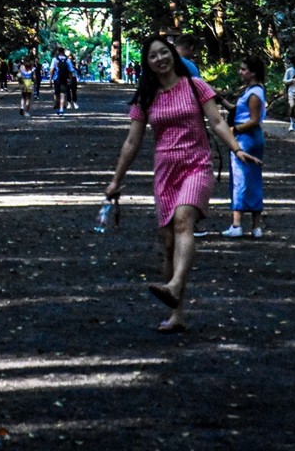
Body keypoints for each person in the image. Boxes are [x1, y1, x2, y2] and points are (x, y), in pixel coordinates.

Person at [104, 34, 259, 332]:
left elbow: (216, 123)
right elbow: (132, 141)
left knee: (183, 222)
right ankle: (177, 313)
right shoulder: (146, 96)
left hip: (196, 164)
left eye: (164, 53)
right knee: (168, 244)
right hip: (165, 170)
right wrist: (116, 180)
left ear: (173, 55)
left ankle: (174, 284)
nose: (160, 59)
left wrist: (237, 149)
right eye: (153, 56)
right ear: (147, 63)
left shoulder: (195, 85)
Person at [221, 55, 266, 238]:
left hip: (245, 139)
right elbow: (238, 109)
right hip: (251, 139)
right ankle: (256, 227)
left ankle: (237, 224)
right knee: (254, 180)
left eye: (243, 69)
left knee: (240, 180)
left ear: (253, 72)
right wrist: (221, 100)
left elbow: (254, 121)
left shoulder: (254, 94)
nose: (240, 72)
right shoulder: (253, 90)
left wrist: (233, 129)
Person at [49, 47, 72, 114]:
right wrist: (70, 79)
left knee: (56, 94)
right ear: (64, 52)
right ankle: (61, 109)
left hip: (56, 79)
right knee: (63, 94)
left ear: (58, 52)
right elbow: (70, 70)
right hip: (64, 79)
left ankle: (57, 106)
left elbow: (52, 70)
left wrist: (50, 79)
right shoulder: (67, 60)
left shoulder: (55, 59)